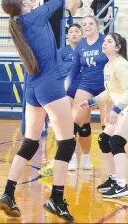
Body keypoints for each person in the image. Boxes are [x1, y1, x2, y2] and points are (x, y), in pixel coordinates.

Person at [0, 0, 94, 221]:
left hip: (32, 88)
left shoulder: (18, 22)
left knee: (30, 142)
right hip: (50, 86)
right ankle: (56, 200)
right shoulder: (38, 16)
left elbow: (25, 3)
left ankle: (8, 193)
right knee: (66, 142)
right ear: (25, 4)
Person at [79, 32, 128, 198]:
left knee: (116, 141)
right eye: (104, 41)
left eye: (109, 41)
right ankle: (114, 178)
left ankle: (122, 185)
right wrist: (91, 101)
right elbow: (110, 91)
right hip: (125, 109)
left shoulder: (121, 65)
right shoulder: (108, 66)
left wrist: (116, 110)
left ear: (117, 47)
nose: (104, 43)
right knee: (104, 139)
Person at [39, 23, 83, 176]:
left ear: (82, 34)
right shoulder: (62, 52)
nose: (74, 34)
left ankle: (83, 157)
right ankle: (70, 158)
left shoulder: (86, 49)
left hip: (85, 90)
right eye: (71, 31)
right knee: (69, 123)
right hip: (67, 91)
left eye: (77, 31)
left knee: (82, 126)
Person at [66, 16, 109, 171]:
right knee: (73, 122)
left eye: (90, 23)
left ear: (97, 26)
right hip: (86, 85)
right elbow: (75, 68)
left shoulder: (105, 41)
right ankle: (71, 157)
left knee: (107, 127)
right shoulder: (81, 45)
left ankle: (113, 170)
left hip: (106, 87)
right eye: (84, 24)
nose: (87, 26)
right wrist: (66, 84)